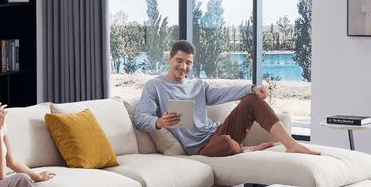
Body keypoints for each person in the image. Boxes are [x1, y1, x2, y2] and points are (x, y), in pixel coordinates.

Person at [134, 40, 320, 158]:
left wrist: (252, 88)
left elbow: (224, 93)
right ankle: (249, 149)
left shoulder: (198, 85)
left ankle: (292, 144)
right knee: (227, 143)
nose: (183, 66)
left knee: (251, 99)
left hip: (217, 131)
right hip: (200, 147)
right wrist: (159, 122)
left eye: (188, 62)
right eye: (179, 60)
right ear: (170, 59)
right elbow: (140, 117)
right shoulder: (155, 86)